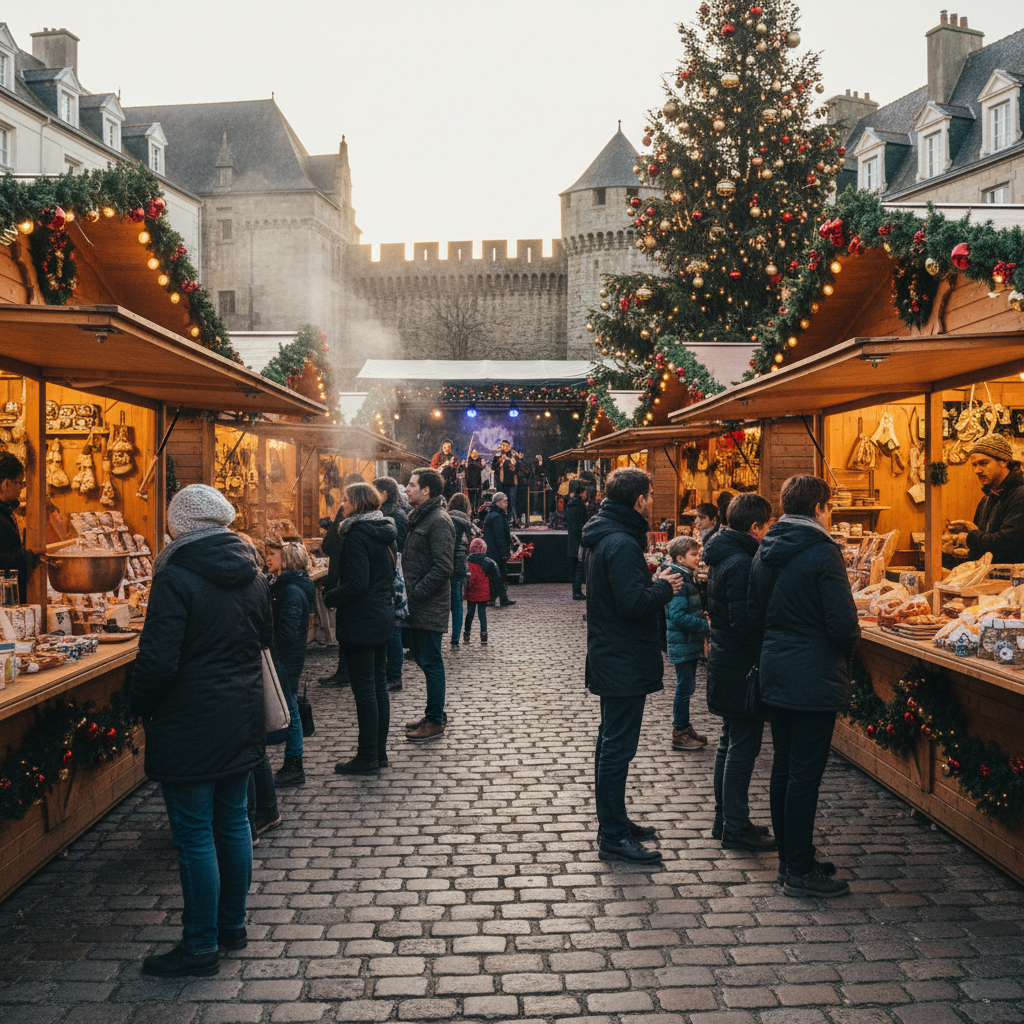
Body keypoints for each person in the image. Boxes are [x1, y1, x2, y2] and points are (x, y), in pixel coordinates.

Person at [131, 484, 271, 977]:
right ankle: (231, 927)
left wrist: (138, 703)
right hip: (240, 712)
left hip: (190, 719)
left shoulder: (177, 573)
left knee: (194, 835)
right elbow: (264, 637)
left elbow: (158, 661)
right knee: (233, 822)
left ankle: (200, 945)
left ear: (180, 524)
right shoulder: (251, 569)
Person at [748, 475, 859, 898]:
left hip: (776, 666)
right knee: (804, 774)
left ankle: (792, 859)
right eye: (829, 508)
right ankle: (798, 868)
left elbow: (756, 609)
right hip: (812, 674)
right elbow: (843, 624)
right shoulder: (822, 551)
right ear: (819, 508)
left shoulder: (767, 548)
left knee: (785, 766)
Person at [582, 467, 684, 865]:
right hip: (621, 657)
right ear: (639, 500)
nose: (653, 499)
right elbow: (632, 604)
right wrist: (664, 587)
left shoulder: (608, 534)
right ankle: (611, 834)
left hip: (613, 654)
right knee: (616, 748)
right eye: (651, 494)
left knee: (611, 742)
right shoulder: (621, 541)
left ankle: (616, 821)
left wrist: (649, 581)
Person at [703, 492, 776, 853]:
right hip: (741, 665)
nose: (768, 533)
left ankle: (726, 818)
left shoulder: (722, 554)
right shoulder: (743, 561)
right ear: (754, 527)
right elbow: (745, 621)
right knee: (742, 747)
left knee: (728, 742)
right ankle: (734, 826)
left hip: (724, 658)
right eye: (767, 526)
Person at [324, 482, 398, 774]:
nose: (342, 505)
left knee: (365, 689)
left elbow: (358, 584)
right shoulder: (384, 532)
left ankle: (367, 756)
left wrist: (331, 597)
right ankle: (378, 753)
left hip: (362, 620)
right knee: (378, 685)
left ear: (357, 503)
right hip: (381, 617)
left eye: (345, 500)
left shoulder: (356, 535)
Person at [402, 468, 455, 742]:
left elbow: (443, 567)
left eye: (411, 485)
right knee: (424, 660)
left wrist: (416, 593)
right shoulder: (421, 517)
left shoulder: (438, 520)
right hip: (419, 606)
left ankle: (435, 720)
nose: (407, 488)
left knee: (431, 662)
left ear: (426, 491)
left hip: (428, 605)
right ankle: (433, 712)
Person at [266, 539, 315, 788]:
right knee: (291, 702)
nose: (268, 557)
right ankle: (293, 760)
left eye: (273, 553)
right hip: (287, 655)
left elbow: (287, 631)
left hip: (286, 657)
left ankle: (294, 762)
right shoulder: (284, 586)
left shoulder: (291, 591)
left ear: (286, 558)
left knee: (291, 706)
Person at [946, 434, 1024, 563]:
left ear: (1003, 461)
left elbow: (1007, 542)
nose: (977, 470)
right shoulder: (987, 498)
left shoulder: (1020, 495)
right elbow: (984, 545)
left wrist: (970, 538)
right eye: (974, 465)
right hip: (991, 578)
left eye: (983, 463)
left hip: (1015, 580)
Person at [663, 536, 710, 752]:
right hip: (683, 642)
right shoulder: (679, 580)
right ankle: (679, 732)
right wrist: (705, 625)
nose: (698, 557)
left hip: (687, 643)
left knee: (687, 687)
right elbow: (678, 616)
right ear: (680, 558)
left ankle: (684, 727)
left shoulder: (684, 576)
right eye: (694, 554)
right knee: (684, 688)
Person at [375, 476, 409, 693]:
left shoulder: (394, 516)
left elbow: (400, 548)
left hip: (394, 576)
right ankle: (390, 674)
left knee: (395, 629)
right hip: (391, 574)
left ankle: (394, 675)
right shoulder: (392, 513)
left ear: (384, 494)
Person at [0, 453, 37, 603]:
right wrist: (29, 555)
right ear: (6, 484)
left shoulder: (6, 511)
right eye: (20, 483)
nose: (22, 488)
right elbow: (3, 558)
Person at [447, 492, 474, 648]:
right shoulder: (466, 523)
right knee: (457, 604)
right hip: (459, 568)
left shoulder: (444, 518)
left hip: (443, 566)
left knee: (442, 603)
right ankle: (455, 637)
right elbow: (471, 545)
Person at [483, 491, 516, 607]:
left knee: (497, 576)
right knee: (499, 575)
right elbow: (500, 536)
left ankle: (497, 598)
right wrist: (504, 553)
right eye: (505, 501)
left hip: (492, 551)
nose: (507, 503)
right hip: (496, 552)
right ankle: (499, 598)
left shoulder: (494, 515)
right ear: (498, 502)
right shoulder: (497, 517)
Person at [464, 537, 499, 644]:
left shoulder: (467, 562)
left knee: (470, 613)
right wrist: (494, 594)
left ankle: (467, 633)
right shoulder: (489, 562)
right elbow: (496, 578)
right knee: (482, 613)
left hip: (471, 592)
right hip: (483, 592)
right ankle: (483, 634)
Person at [565, 480, 589, 601]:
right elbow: (578, 524)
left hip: (573, 540)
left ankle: (577, 590)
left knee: (576, 566)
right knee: (579, 566)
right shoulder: (577, 505)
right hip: (578, 541)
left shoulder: (572, 504)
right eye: (585, 492)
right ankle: (577, 591)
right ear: (581, 493)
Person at [491, 441, 519, 526]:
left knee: (511, 501)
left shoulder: (513, 455)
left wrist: (511, 461)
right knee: (500, 501)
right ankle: (501, 519)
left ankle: (514, 520)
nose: (505, 447)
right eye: (503, 445)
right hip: (501, 483)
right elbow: (493, 467)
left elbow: (518, 467)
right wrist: (500, 463)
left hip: (511, 483)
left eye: (507, 445)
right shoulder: (498, 455)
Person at [465, 448, 484, 513]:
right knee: (471, 499)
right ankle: (472, 512)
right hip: (470, 484)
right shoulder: (468, 460)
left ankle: (476, 511)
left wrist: (483, 465)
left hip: (478, 483)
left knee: (478, 499)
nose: (474, 455)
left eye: (476, 453)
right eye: (473, 453)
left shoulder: (480, 460)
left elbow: (482, 468)